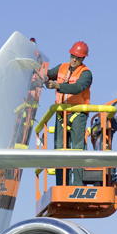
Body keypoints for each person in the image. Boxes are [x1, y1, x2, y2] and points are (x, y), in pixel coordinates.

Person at [44, 41, 92, 186]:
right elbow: (47, 74)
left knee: (77, 150)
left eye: (78, 57)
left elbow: (78, 87)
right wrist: (37, 69)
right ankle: (62, 185)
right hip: (61, 114)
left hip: (78, 113)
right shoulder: (62, 68)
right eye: (73, 56)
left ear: (83, 59)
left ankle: (77, 184)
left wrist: (57, 85)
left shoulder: (86, 73)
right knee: (60, 150)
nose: (74, 59)